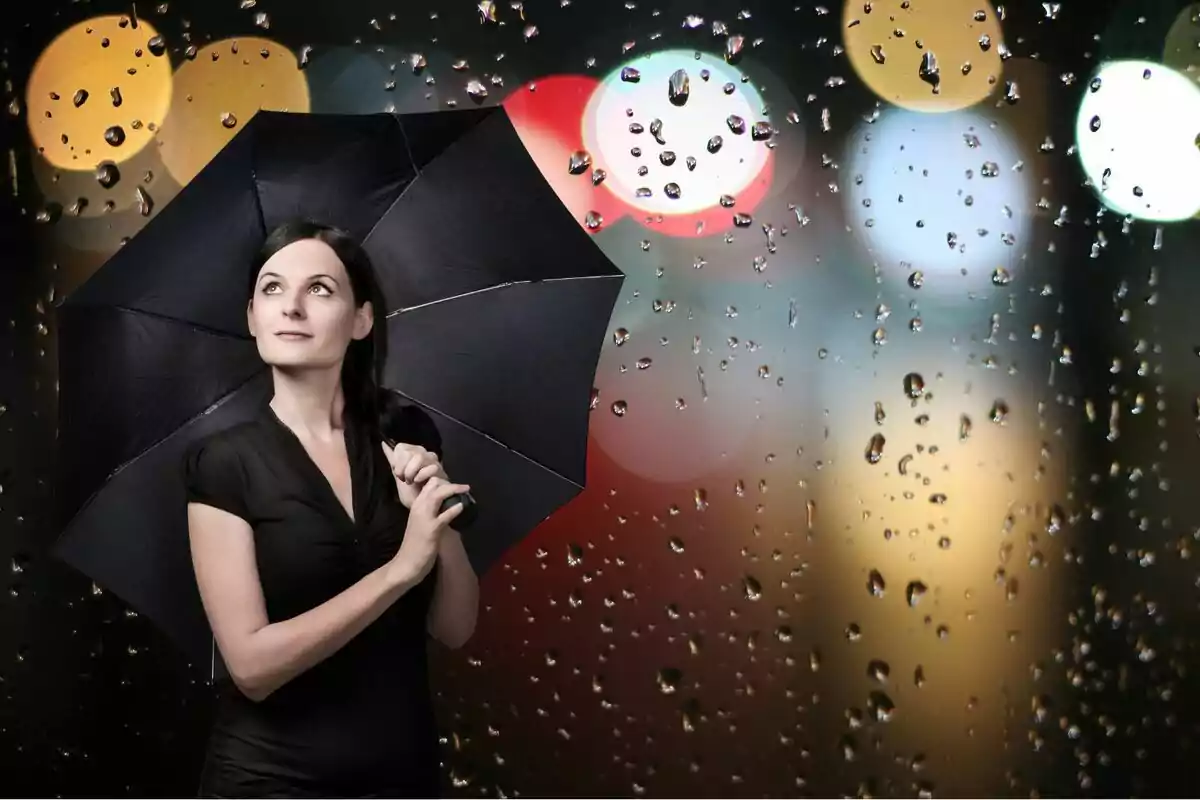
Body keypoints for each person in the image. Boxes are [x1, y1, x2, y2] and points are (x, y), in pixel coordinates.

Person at [182, 220, 479, 798]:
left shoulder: (406, 435)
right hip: (269, 782)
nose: (291, 306)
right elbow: (252, 667)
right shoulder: (223, 463)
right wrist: (400, 570)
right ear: (251, 317)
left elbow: (455, 629)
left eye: (319, 288)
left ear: (362, 319)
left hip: (402, 777)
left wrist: (437, 520)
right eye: (271, 288)